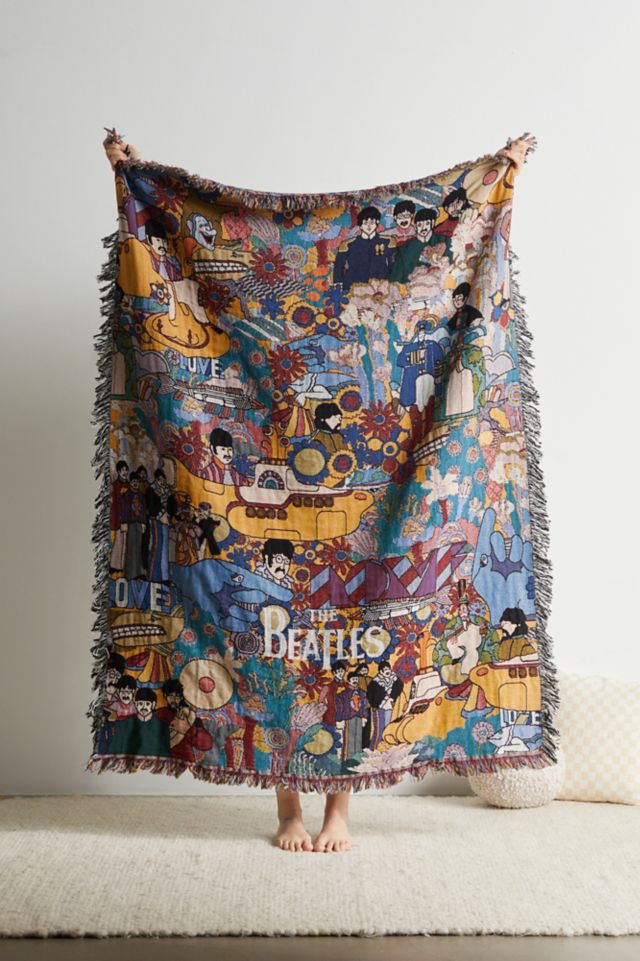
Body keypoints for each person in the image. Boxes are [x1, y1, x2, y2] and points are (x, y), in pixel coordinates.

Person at [102, 128, 532, 853]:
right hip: (281, 504)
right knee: (275, 665)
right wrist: (132, 176)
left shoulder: (369, 383)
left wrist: (501, 171)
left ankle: (338, 813)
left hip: (375, 506)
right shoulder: (280, 391)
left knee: (352, 668)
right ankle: (289, 813)